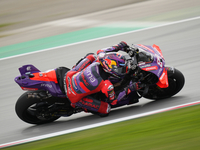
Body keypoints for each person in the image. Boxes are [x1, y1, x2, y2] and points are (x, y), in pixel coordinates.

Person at [64, 41, 143, 115]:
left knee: (91, 56)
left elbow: (104, 50)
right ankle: (83, 107)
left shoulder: (101, 57)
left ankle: (74, 68)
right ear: (110, 71)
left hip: (69, 76)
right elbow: (114, 101)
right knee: (106, 109)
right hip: (74, 96)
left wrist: (119, 46)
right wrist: (130, 88)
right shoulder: (107, 85)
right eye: (120, 69)